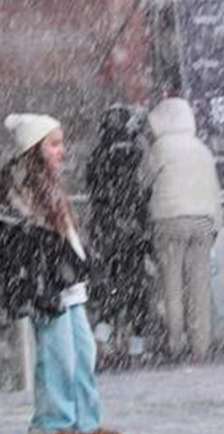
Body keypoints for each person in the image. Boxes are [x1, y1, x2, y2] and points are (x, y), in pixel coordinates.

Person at [0, 114, 121, 434]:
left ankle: (85, 422)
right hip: (48, 285)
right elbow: (32, 237)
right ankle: (53, 423)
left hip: (65, 282)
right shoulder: (22, 185)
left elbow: (64, 235)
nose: (61, 151)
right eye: (54, 144)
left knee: (82, 354)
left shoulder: (47, 184)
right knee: (59, 358)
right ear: (35, 148)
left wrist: (85, 264)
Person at [142, 97, 224, 362]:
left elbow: (143, 181)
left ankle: (175, 344)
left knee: (172, 287)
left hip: (169, 220)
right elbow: (214, 190)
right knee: (199, 287)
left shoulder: (159, 148)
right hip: (203, 221)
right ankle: (200, 347)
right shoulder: (202, 149)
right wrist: (216, 225)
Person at [86, 105, 152, 363]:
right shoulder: (128, 152)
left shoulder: (98, 154)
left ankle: (104, 335)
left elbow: (96, 191)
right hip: (128, 228)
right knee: (135, 285)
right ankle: (135, 345)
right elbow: (134, 189)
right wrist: (136, 218)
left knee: (113, 281)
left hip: (105, 228)